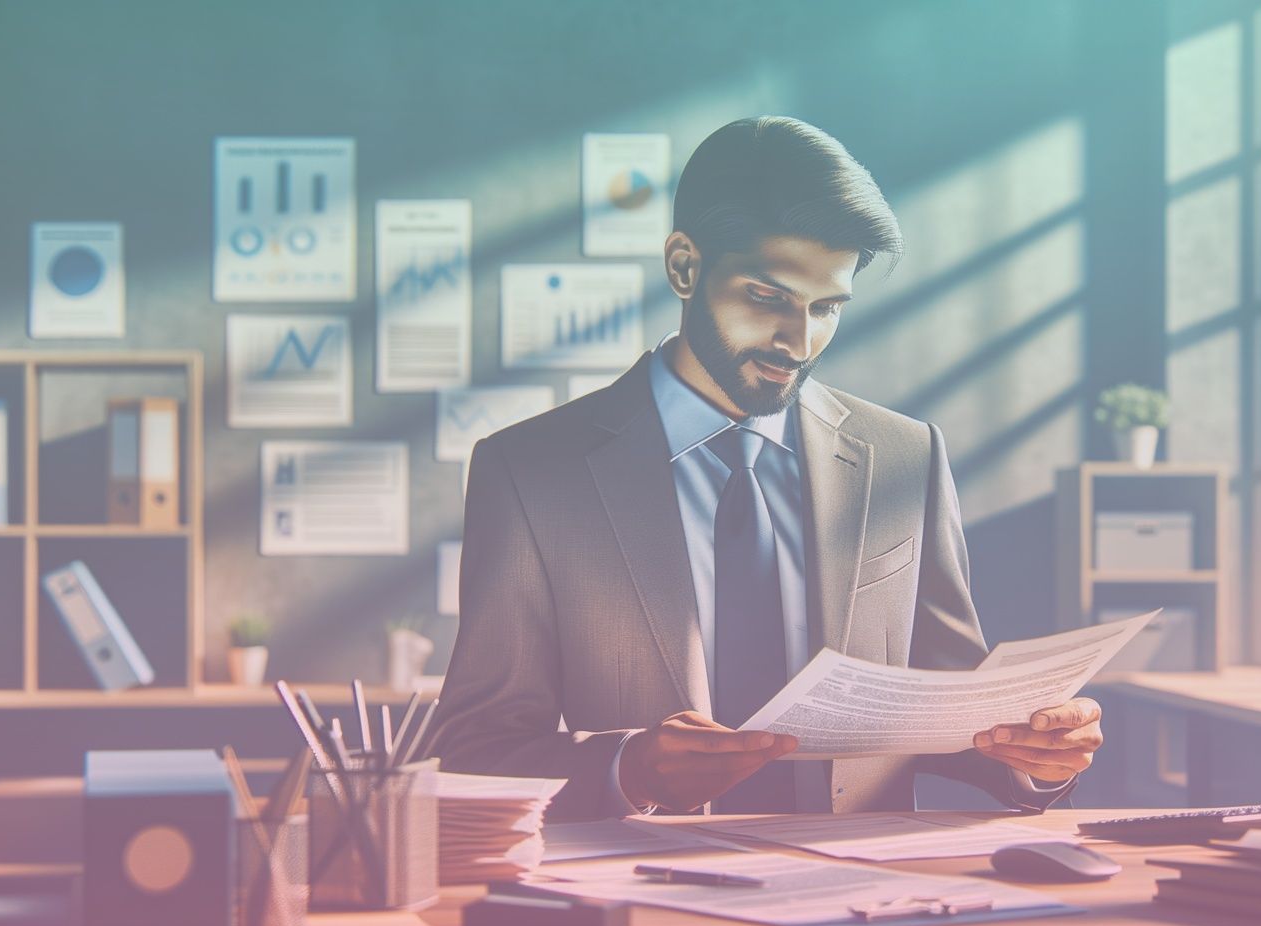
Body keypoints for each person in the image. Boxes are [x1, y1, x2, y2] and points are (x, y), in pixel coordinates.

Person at [429, 115, 1105, 826]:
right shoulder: (535, 471)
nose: (800, 339)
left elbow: (949, 712)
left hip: (859, 905)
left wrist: (1031, 754)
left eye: (827, 308)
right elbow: (476, 753)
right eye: (767, 297)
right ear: (684, 266)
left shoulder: (905, 457)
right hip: (640, 905)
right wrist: (630, 770)